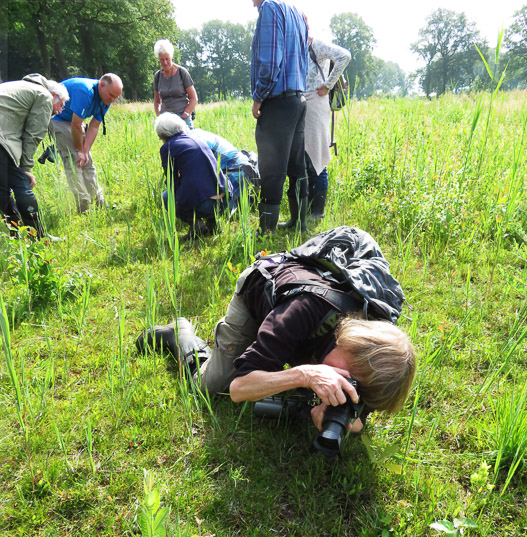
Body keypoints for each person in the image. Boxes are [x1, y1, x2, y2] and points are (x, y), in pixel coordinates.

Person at [136, 233, 417, 434]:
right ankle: (180, 332)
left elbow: (361, 417)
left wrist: (342, 414)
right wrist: (305, 375)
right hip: (262, 290)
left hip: (308, 317)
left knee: (304, 364)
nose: (349, 383)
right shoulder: (305, 309)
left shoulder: (379, 357)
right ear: (351, 344)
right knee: (209, 386)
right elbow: (240, 388)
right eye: (350, 377)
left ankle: (290, 354)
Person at [251, 0, 309, 235]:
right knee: (297, 165)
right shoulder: (295, 10)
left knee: (271, 166)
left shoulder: (270, 7)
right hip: (298, 99)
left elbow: (270, 61)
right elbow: (303, 57)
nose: (251, 4)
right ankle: (299, 223)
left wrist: (258, 96)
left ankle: (266, 230)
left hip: (278, 101)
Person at [282, 29, 350, 224]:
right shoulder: (293, 49)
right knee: (300, 159)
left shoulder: (316, 44)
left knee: (316, 158)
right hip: (299, 103)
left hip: (316, 102)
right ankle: (304, 210)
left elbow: (344, 56)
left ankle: (317, 212)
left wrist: (328, 84)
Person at [0, 73, 69, 238]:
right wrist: (26, 168)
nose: (59, 111)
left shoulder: (20, 86)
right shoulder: (44, 96)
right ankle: (38, 238)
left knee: (2, 190)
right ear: (53, 95)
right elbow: (33, 135)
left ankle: (17, 236)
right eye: (61, 105)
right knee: (22, 183)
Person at [51, 73, 123, 213]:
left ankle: (98, 200)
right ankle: (82, 204)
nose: (113, 100)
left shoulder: (106, 99)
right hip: (58, 119)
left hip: (74, 122)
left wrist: (85, 150)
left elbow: (94, 126)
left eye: (116, 97)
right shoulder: (85, 91)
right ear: (102, 85)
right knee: (74, 158)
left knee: (87, 160)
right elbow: (76, 124)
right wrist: (79, 150)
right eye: (111, 95)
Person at [155, 113, 232, 238]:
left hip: (207, 204)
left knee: (166, 197)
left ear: (162, 135)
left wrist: (180, 201)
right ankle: (213, 224)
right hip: (225, 200)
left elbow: (171, 182)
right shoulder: (197, 139)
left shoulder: (168, 147)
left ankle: (197, 227)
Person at [190, 128, 260, 206]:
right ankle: (244, 199)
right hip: (234, 168)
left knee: (212, 207)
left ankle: (245, 201)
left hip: (237, 172)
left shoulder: (193, 145)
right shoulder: (194, 133)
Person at [153, 39, 198, 128]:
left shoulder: (182, 72)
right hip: (166, 120)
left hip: (183, 117)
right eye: (162, 60)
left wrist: (186, 113)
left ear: (172, 56)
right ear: (158, 59)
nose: (165, 62)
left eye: (167, 59)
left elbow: (194, 98)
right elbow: (157, 101)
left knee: (187, 141)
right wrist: (159, 116)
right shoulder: (157, 76)